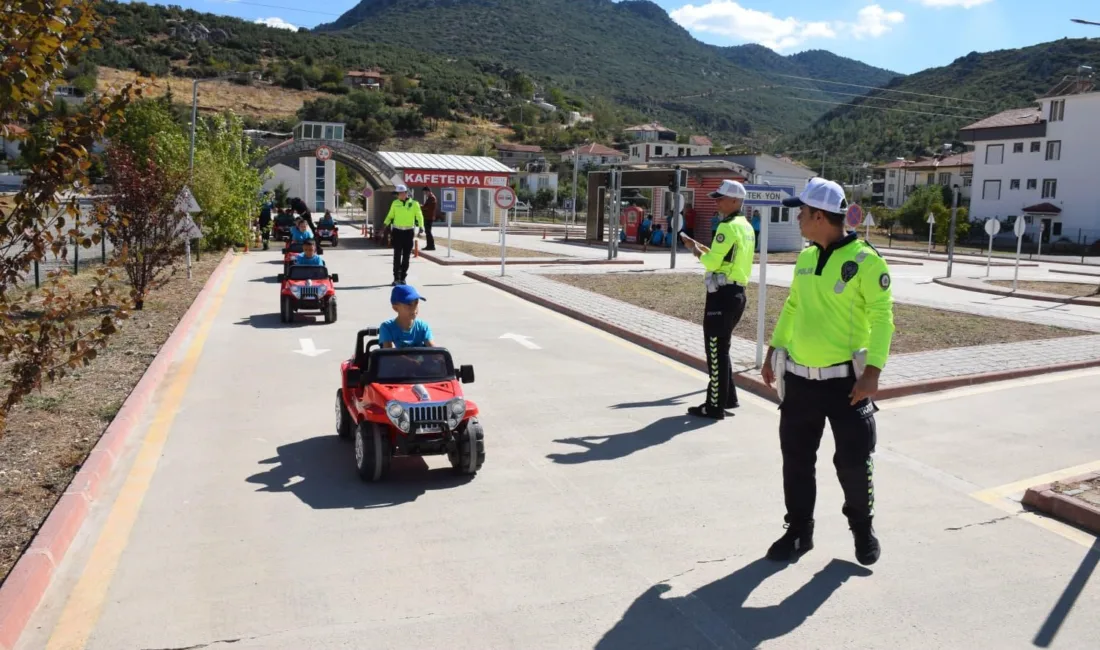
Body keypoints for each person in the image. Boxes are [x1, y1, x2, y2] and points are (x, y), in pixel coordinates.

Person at [760, 176, 895, 567]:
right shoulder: (805, 258)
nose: (798, 218)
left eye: (802, 212)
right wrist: (774, 349)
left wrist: (873, 372)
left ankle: (862, 528)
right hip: (801, 381)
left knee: (852, 462)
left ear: (819, 216)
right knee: (797, 460)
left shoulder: (867, 262)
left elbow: (883, 317)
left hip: (846, 385)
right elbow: (792, 307)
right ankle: (799, 531)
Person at [679, 180, 754, 420]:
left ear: (735, 201)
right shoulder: (746, 226)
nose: (717, 202)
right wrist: (705, 249)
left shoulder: (727, 227)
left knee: (715, 350)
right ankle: (728, 398)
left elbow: (712, 263)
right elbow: (726, 258)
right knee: (723, 349)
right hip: (737, 292)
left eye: (721, 198)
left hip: (721, 295)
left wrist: (694, 248)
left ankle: (714, 406)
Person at [384, 184, 424, 286]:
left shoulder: (414, 204)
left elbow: (419, 215)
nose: (399, 195)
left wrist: (421, 226)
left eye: (401, 193)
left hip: (408, 232)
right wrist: (384, 225)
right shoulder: (395, 203)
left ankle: (403, 278)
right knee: (397, 256)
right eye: (398, 194)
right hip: (397, 232)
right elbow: (390, 215)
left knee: (406, 257)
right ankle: (396, 278)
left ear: (406, 193)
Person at [380, 284, 435, 349]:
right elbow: (388, 355)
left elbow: (434, 351)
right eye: (409, 304)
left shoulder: (423, 327)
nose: (414, 308)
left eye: (416, 302)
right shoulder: (387, 328)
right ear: (396, 308)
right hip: (397, 359)